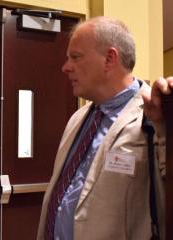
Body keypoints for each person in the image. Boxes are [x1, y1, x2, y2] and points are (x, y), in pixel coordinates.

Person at [37, 16, 168, 240]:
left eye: (75, 57)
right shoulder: (77, 119)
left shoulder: (156, 117)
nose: (65, 67)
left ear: (109, 58)